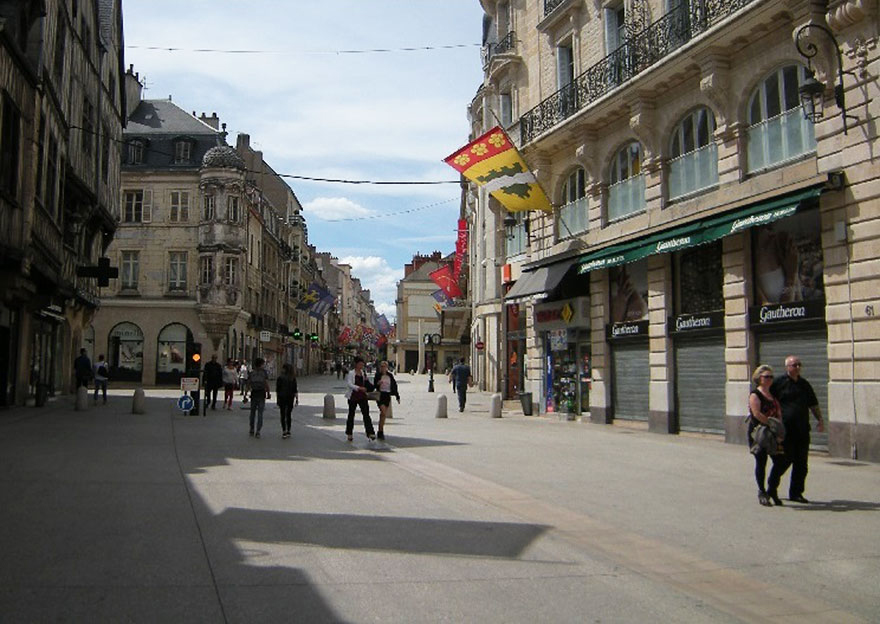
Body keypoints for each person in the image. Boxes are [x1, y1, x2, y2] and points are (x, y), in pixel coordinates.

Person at [767, 355, 824, 504]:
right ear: (787, 367)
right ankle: (771, 488)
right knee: (784, 461)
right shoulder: (778, 383)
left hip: (802, 430)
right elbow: (767, 399)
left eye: (799, 365)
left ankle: (796, 493)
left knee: (801, 464)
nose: (797, 367)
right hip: (785, 430)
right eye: (794, 365)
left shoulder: (804, 384)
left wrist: (820, 419)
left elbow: (813, 403)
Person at [748, 365, 786, 506]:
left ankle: (772, 489)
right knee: (761, 461)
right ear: (759, 378)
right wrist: (771, 424)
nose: (769, 379)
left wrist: (779, 428)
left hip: (774, 433)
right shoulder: (755, 395)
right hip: (760, 433)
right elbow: (757, 413)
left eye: (771, 377)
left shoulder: (773, 395)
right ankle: (762, 492)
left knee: (780, 461)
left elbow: (779, 413)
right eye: (766, 377)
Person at [344, 357, 376, 442]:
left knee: (366, 414)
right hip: (353, 396)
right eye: (360, 364)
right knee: (351, 415)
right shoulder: (351, 373)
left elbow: (366, 383)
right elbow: (349, 384)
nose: (361, 366)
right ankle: (349, 433)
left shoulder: (363, 373)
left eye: (362, 364)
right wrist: (359, 388)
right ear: (356, 364)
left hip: (362, 396)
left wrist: (373, 386)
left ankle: (370, 432)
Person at [372, 360, 400, 440]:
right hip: (380, 395)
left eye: (384, 366)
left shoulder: (390, 375)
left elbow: (394, 386)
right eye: (381, 366)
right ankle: (380, 431)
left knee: (383, 415)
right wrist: (378, 383)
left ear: (387, 367)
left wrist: (397, 396)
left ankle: (380, 430)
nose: (383, 368)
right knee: (383, 412)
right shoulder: (378, 375)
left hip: (387, 395)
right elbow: (374, 385)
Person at [247, 358, 270, 438]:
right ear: (261, 364)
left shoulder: (251, 373)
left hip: (254, 393)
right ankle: (258, 431)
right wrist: (268, 393)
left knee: (252, 413)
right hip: (261, 394)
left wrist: (245, 394)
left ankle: (252, 428)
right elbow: (266, 383)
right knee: (260, 413)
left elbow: (248, 383)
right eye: (263, 364)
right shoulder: (264, 373)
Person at [276, 363, 298, 439]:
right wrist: (297, 399)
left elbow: (278, 390)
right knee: (288, 414)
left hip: (282, 397)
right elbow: (295, 390)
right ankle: (288, 430)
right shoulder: (292, 378)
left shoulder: (280, 378)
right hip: (290, 398)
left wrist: (277, 399)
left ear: (284, 369)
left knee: (282, 414)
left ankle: (284, 430)